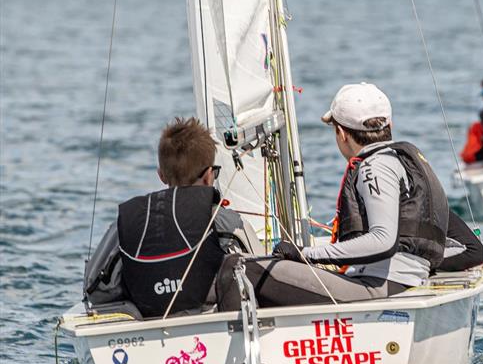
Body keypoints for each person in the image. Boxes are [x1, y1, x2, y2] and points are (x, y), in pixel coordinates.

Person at [216, 82, 450, 310]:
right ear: (389, 124)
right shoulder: (408, 164)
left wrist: (306, 254)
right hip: (401, 283)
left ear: (341, 133)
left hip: (377, 287)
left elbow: (383, 240)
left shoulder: (374, 167)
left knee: (239, 268)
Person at [84, 117, 264, 317]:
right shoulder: (223, 221)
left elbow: (93, 288)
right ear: (209, 176)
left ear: (161, 176)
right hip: (214, 328)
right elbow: (262, 273)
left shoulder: (127, 224)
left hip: (145, 328)